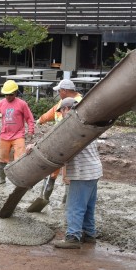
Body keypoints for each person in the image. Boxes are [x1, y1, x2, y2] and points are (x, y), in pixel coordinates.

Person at [50, 97, 102, 249]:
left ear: (67, 109)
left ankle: (73, 237)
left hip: (82, 172)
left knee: (75, 206)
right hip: (94, 170)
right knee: (88, 206)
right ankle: (89, 234)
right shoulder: (86, 123)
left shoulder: (71, 127)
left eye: (62, 111)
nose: (61, 115)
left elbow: (56, 145)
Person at [28, 78, 83, 211]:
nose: (58, 93)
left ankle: (67, 202)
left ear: (64, 91)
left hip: (72, 145)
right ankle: (44, 198)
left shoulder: (79, 103)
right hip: (58, 143)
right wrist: (40, 120)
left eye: (59, 91)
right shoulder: (62, 102)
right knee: (51, 172)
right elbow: (53, 112)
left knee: (68, 175)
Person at [0, 80, 36, 185]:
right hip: (4, 135)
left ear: (15, 93)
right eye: (6, 94)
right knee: (2, 157)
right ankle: (2, 178)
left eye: (10, 94)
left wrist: (31, 130)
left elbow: (29, 118)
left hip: (18, 135)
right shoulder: (0, 104)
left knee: (20, 158)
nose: (8, 97)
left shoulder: (22, 104)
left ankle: (21, 180)